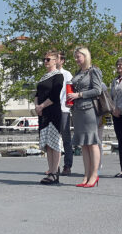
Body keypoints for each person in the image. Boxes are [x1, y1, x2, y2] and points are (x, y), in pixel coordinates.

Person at [67, 46, 104, 187]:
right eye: (75, 57)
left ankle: (94, 175)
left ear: (85, 56)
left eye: (78, 57)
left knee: (92, 142)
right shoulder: (79, 72)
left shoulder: (94, 70)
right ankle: (86, 174)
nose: (76, 59)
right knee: (84, 144)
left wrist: (79, 95)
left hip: (89, 110)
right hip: (77, 109)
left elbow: (97, 90)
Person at [35, 51, 64, 184]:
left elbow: (55, 95)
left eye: (48, 59)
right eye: (44, 59)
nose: (45, 61)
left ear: (55, 60)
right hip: (43, 113)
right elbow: (37, 93)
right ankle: (50, 170)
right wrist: (36, 106)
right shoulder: (43, 77)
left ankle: (54, 172)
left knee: (54, 142)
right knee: (47, 143)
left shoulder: (58, 76)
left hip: (52, 111)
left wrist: (42, 106)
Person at [57, 53, 74, 176]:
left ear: (62, 60)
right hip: (51, 110)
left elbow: (70, 90)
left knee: (65, 137)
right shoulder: (49, 74)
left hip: (63, 109)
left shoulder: (67, 74)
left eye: (56, 58)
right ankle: (54, 166)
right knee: (53, 139)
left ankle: (67, 165)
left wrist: (69, 103)